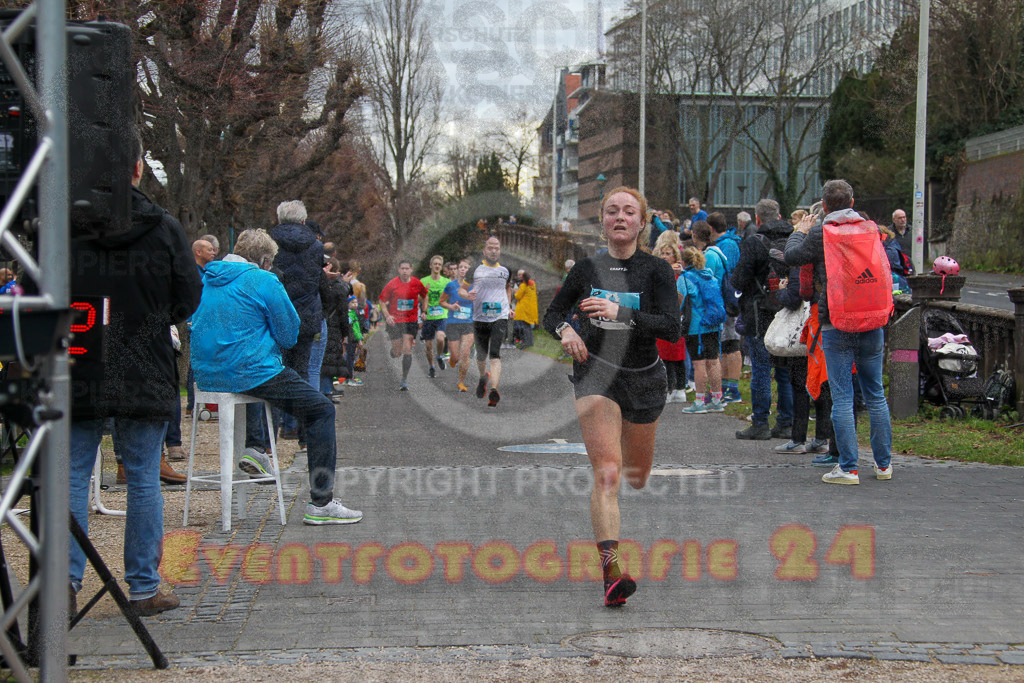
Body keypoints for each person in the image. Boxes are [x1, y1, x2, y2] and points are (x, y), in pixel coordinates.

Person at [69, 127, 202, 616]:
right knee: (144, 475)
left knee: (72, 470)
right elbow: (188, 295)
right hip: (142, 360)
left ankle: (62, 583)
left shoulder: (65, 224)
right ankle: (143, 587)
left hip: (77, 358)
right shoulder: (164, 227)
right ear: (138, 168)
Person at [543, 187, 679, 607]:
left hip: (644, 379)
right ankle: (612, 574)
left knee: (635, 476)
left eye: (629, 211)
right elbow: (551, 313)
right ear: (602, 221)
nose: (620, 217)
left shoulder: (656, 270)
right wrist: (564, 330)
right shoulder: (586, 269)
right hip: (596, 379)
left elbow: (672, 327)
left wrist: (622, 313)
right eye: (612, 211)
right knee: (607, 472)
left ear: (642, 222)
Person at [190, 229, 364, 522]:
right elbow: (288, 334)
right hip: (248, 372)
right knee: (321, 410)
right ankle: (322, 503)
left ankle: (256, 449)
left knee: (265, 384)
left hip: (207, 376)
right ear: (267, 261)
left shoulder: (207, 277)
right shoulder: (264, 279)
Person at [784, 179, 893, 484]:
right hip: (872, 319)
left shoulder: (821, 232)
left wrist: (799, 231)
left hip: (836, 320)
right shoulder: (871, 228)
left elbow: (792, 257)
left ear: (825, 204)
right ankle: (883, 465)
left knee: (843, 397)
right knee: (876, 393)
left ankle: (848, 467)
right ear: (853, 203)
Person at [730, 198, 794, 440]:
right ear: (779, 216)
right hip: (787, 309)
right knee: (785, 368)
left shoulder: (754, 242)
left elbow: (739, 279)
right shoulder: (794, 239)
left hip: (759, 310)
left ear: (757, 219)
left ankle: (760, 422)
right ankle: (786, 422)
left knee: (761, 367)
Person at [269, 200, 324, 438]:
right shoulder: (315, 245)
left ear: (280, 219)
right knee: (302, 370)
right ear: (304, 220)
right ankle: (302, 431)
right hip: (306, 313)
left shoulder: (269, 241)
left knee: (274, 370)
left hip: (276, 313)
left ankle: (274, 430)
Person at [461, 235, 512, 407]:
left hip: (500, 316)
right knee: (481, 356)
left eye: (496, 248)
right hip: (480, 318)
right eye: (490, 248)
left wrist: (509, 306)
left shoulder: (506, 270)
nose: (493, 251)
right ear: (484, 250)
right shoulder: (475, 270)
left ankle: (494, 390)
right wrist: (467, 295)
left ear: (500, 250)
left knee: (495, 354)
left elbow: (508, 288)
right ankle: (483, 377)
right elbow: (462, 290)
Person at [678, 246, 725, 413]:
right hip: (714, 324)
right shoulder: (709, 275)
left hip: (695, 327)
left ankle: (699, 402)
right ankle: (717, 399)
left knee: (699, 364)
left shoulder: (684, 278)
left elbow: (680, 302)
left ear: (684, 262)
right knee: (713, 360)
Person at [704, 212, 743, 403]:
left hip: (725, 300)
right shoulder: (727, 243)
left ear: (710, 228)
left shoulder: (726, 245)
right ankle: (727, 386)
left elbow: (726, 274)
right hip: (724, 300)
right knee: (726, 344)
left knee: (731, 344)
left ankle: (732, 388)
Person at [378, 260, 427, 391]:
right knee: (398, 352)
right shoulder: (392, 284)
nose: (405, 271)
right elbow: (382, 301)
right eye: (402, 268)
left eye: (407, 268)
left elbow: (425, 295)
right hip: (395, 321)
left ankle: (404, 379)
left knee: (407, 348)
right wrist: (387, 316)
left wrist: (424, 311)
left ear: (411, 269)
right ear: (398, 270)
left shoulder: (417, 283)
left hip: (410, 321)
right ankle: (394, 352)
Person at [655, 244, 688, 403]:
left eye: (668, 253)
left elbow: (681, 297)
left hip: (676, 318)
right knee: (664, 356)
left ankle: (680, 388)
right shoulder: (659, 272)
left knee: (678, 355)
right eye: (663, 253)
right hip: (661, 318)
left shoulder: (679, 275)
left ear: (675, 256)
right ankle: (668, 389)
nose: (665, 256)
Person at [442, 257, 475, 391]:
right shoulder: (451, 285)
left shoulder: (475, 286)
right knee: (455, 357)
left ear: (469, 270)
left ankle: (461, 381)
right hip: (453, 323)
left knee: (465, 354)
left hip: (468, 323)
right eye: (460, 267)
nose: (462, 269)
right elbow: (441, 302)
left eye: (466, 267)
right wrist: (451, 307)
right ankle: (453, 359)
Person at [420, 255, 450, 378]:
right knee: (428, 346)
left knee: (441, 338)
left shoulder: (446, 282)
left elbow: (452, 296)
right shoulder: (423, 281)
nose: (437, 266)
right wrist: (424, 294)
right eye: (435, 264)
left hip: (442, 314)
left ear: (441, 267)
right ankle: (432, 367)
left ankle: (439, 356)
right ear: (431, 266)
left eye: (439, 264)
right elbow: (418, 298)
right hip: (429, 316)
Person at [512, 270, 538, 348]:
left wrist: (516, 291)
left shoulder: (523, 285)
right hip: (531, 307)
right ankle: (530, 342)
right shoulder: (533, 284)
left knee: (525, 326)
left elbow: (518, 296)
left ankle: (526, 342)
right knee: (528, 326)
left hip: (524, 308)